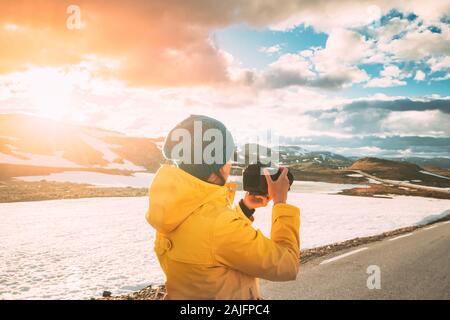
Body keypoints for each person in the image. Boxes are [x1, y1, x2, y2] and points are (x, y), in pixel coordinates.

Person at [146, 115, 300, 300]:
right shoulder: (220, 226)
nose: (229, 164)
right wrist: (280, 203)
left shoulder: (173, 207)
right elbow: (287, 265)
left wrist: (245, 208)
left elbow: (208, 243)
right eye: (226, 157)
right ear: (212, 165)